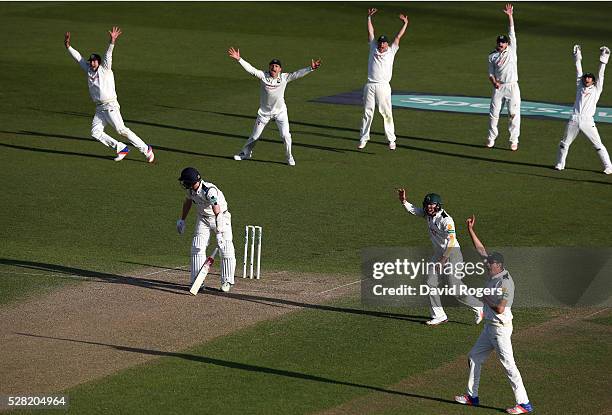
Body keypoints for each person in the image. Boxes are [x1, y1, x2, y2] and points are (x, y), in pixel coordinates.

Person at [454, 215, 533, 414]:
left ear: (499, 266)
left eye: (490, 265)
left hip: (500, 330)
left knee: (508, 366)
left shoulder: (506, 283)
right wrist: (470, 230)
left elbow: (500, 308)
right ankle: (472, 396)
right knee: (474, 357)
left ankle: (524, 404)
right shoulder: (493, 269)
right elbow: (481, 250)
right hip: (489, 327)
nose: (486, 266)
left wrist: (484, 298)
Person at [64, 28, 154, 163]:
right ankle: (121, 148)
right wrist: (68, 46)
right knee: (95, 133)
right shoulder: (88, 70)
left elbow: (108, 54)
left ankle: (146, 149)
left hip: (110, 105)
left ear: (99, 62)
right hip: (100, 108)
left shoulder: (105, 68)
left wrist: (112, 41)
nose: (92, 62)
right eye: (91, 61)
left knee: (121, 130)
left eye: (95, 61)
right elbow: (78, 58)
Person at [397, 188, 483, 326]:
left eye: (432, 205)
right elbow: (413, 210)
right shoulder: (428, 215)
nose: (429, 207)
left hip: (452, 254)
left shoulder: (446, 220)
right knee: (430, 282)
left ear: (438, 205)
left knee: (454, 288)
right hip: (439, 255)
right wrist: (403, 201)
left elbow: (452, 241)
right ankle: (439, 315)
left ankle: (478, 307)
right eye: (427, 205)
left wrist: (443, 260)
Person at [228, 47, 321, 166]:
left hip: (280, 112)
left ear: (280, 69)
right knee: (254, 136)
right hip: (264, 113)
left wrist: (311, 68)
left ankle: (289, 157)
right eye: (272, 65)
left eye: (276, 66)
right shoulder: (263, 76)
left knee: (286, 136)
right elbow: (251, 70)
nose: (273, 67)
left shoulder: (284, 77)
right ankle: (245, 153)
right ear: (269, 67)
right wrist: (239, 59)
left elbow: (297, 74)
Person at [555, 45, 612, 174]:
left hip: (587, 121)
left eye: (589, 78)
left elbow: (601, 75)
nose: (587, 79)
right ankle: (560, 164)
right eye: (585, 78)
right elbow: (578, 70)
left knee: (598, 145)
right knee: (564, 144)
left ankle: (609, 166)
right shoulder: (579, 86)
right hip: (574, 119)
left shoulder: (597, 89)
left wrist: (604, 58)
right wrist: (577, 55)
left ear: (593, 81)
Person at [177, 167, 235, 293]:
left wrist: (219, 233)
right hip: (203, 218)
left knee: (225, 248)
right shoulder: (191, 190)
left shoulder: (209, 191)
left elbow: (217, 210)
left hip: (221, 217)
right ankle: (198, 280)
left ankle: (226, 281)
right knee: (197, 246)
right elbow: (188, 202)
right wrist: (182, 219)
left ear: (190, 182)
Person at [358, 9, 409, 150]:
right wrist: (368, 17)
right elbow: (370, 33)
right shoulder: (373, 48)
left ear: (387, 44)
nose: (381, 45)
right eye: (380, 43)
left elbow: (398, 37)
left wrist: (405, 24)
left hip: (384, 86)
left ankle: (391, 140)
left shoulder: (392, 51)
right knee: (367, 112)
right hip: (370, 85)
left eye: (384, 43)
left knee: (386, 113)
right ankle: (363, 138)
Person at [486, 4, 520, 151]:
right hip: (499, 87)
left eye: (503, 42)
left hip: (512, 86)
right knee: (493, 114)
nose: (501, 44)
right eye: (499, 42)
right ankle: (491, 138)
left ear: (507, 43)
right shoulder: (492, 56)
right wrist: (494, 82)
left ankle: (514, 140)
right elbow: (490, 73)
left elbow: (512, 32)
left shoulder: (512, 50)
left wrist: (510, 16)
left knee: (513, 114)